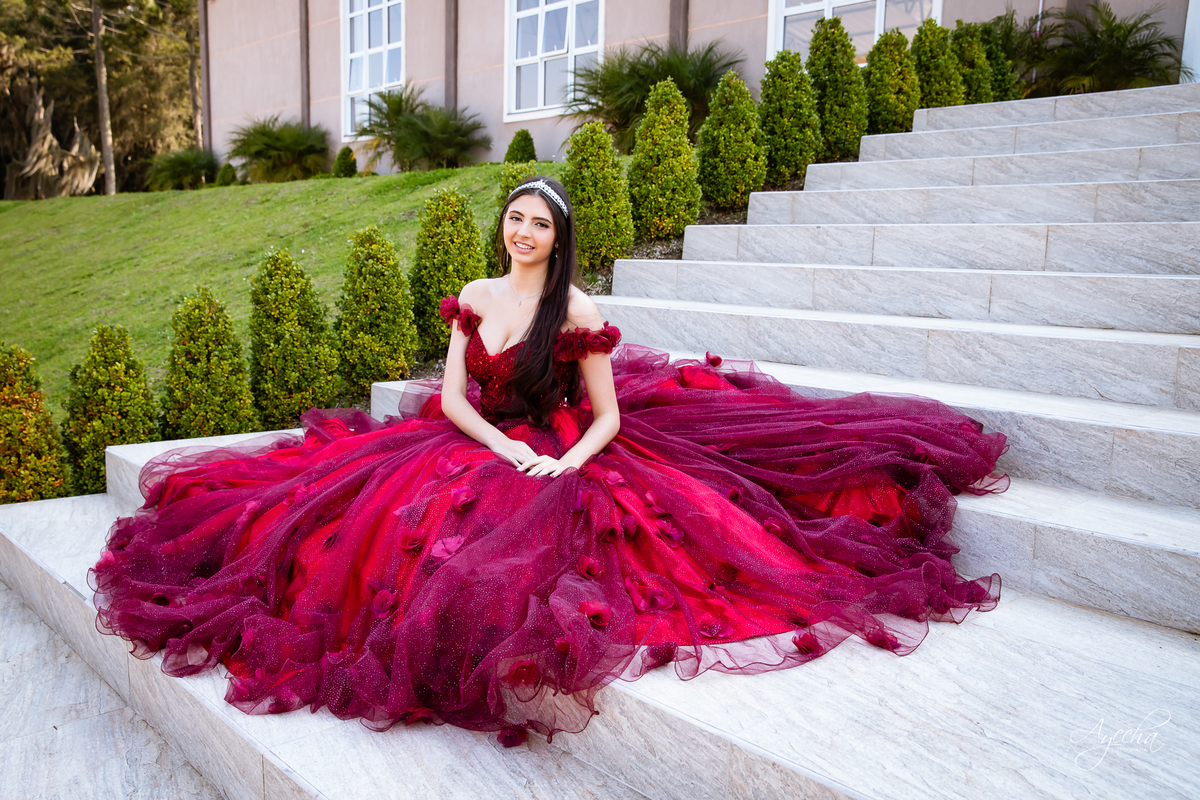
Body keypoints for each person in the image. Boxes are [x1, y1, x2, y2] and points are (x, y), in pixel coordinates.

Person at [91, 177, 1007, 747]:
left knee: (542, 538)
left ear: (557, 237)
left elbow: (605, 416)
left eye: (537, 224)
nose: (521, 232)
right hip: (472, 438)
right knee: (364, 522)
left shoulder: (574, 307)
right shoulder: (479, 294)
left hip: (566, 444)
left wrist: (564, 466)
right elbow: (450, 397)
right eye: (514, 219)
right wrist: (493, 446)